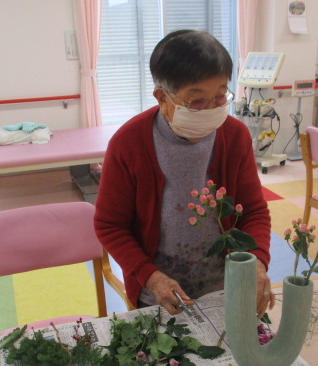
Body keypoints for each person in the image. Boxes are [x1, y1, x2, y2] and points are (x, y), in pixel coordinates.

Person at [94, 29, 274, 317]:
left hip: (227, 286)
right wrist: (151, 277)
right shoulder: (128, 143)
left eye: (220, 96)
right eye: (197, 101)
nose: (211, 109)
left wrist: (257, 263)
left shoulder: (235, 136)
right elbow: (110, 225)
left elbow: (253, 211)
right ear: (162, 97)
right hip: (160, 294)